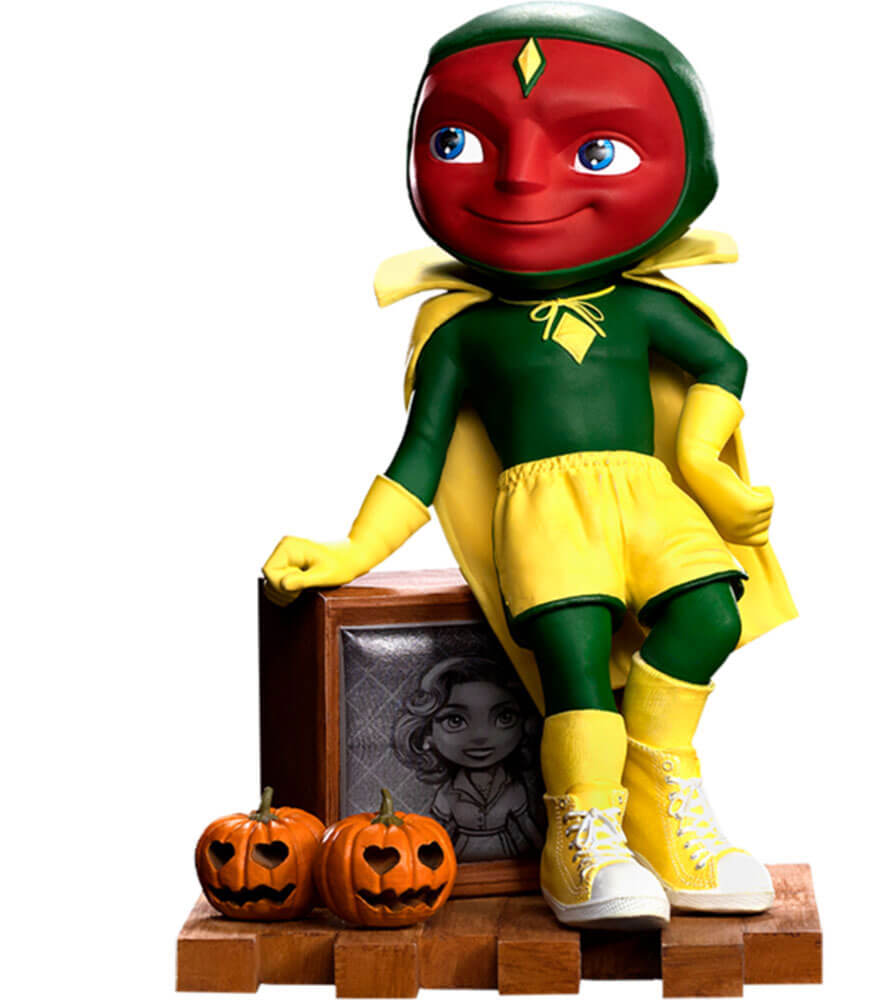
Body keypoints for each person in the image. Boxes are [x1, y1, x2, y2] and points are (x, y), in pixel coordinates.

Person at [263, 3, 796, 929]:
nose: (518, 178)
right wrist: (352, 551)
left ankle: (659, 795)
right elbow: (420, 459)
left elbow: (722, 364)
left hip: (647, 492)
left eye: (595, 151)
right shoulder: (465, 335)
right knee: (574, 661)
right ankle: (581, 834)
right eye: (461, 141)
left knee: (711, 611)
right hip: (542, 514)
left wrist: (702, 461)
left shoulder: (643, 307)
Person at [392, 656, 544, 861]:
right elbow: (441, 832)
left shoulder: (513, 788)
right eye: (455, 720)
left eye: (504, 717)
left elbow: (527, 827)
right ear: (427, 734)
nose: (481, 736)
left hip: (507, 863)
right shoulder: (448, 793)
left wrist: (547, 858)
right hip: (461, 861)